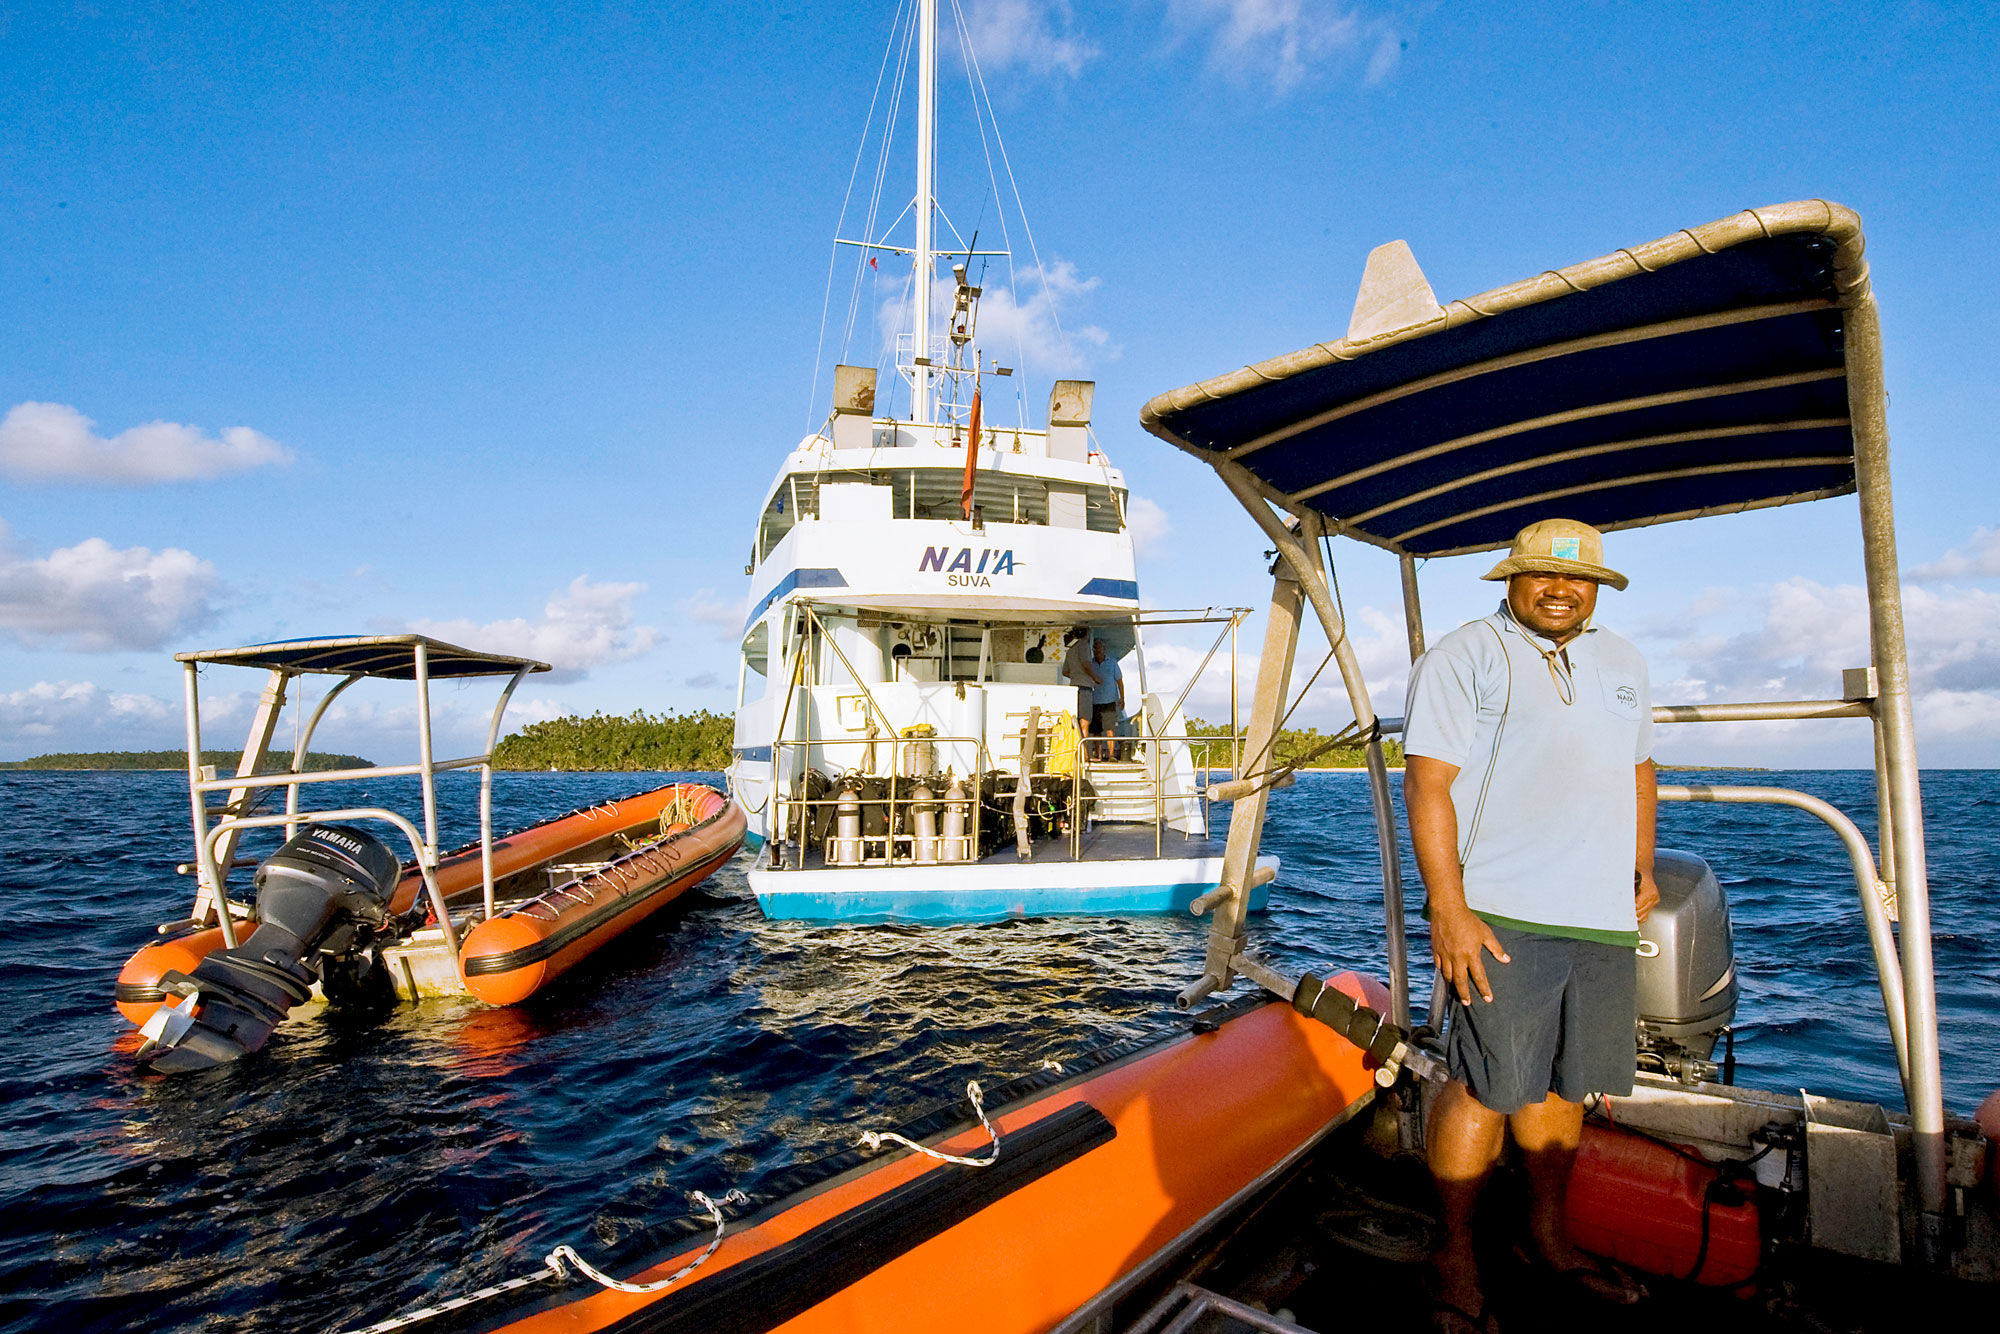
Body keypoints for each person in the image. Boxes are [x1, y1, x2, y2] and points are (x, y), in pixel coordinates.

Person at [1401, 518, 1657, 1333]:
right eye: (1543, 575)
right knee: (1484, 1082)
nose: (1560, 590)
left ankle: (1548, 1239)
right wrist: (1450, 907)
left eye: (1577, 580)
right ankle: (1456, 1251)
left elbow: (1640, 767)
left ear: (1598, 589)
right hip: (1501, 911)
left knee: (1563, 1082)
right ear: (1511, 579)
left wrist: (1642, 866)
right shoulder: (1464, 654)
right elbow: (1429, 783)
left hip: (1600, 917)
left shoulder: (1623, 660)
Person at [1061, 625, 1101, 743]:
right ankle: (1084, 755)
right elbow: (1086, 664)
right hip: (1084, 688)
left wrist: (1075, 675)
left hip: (1074, 687)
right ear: (1087, 634)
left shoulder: (1071, 650)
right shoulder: (1084, 646)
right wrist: (1095, 677)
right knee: (1085, 721)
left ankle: (1078, 750)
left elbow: (1065, 671)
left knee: (1076, 721)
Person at [1089, 638, 1125, 760]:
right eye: (1095, 648)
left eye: (1099, 648)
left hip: (1109, 701)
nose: (1096, 651)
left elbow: (1119, 681)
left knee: (1110, 728)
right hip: (1094, 701)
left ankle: (1111, 755)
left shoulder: (1113, 663)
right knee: (1096, 730)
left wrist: (1122, 698)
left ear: (1104, 650)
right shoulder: (1091, 664)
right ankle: (1098, 756)